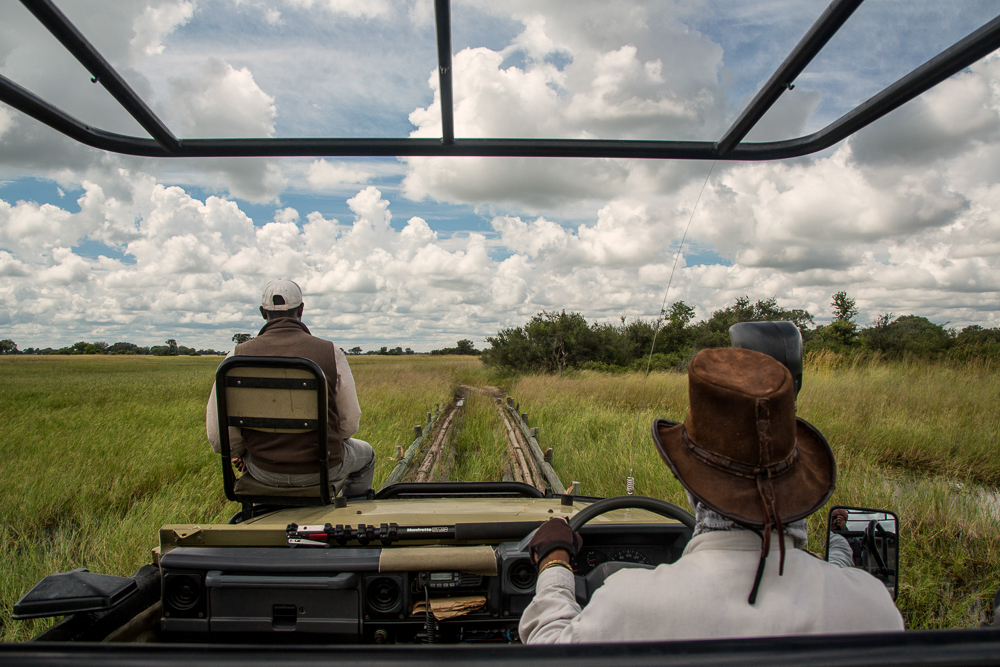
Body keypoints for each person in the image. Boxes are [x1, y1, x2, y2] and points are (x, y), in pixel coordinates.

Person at [519, 347, 904, 643]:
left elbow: (548, 643)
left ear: (693, 492)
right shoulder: (872, 608)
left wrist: (554, 562)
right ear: (800, 490)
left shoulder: (630, 604)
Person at [206, 279, 375, 497]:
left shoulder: (235, 357)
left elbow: (218, 437)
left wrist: (243, 452)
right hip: (323, 468)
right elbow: (349, 423)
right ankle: (352, 511)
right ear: (301, 310)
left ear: (263, 312)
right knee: (367, 456)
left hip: (263, 469)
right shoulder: (331, 352)